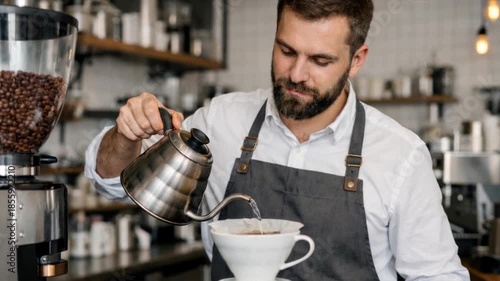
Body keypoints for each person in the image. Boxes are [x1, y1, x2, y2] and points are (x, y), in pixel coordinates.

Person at [85, 0, 470, 280]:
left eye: (320, 61)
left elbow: (439, 275)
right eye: (286, 50)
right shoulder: (222, 121)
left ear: (357, 59)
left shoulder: (400, 154)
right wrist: (125, 135)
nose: (297, 74)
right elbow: (112, 184)